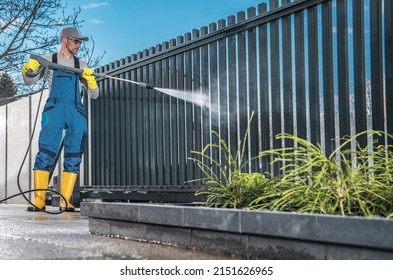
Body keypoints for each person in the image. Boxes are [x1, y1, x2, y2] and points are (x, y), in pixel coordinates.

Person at [21, 27, 99, 212]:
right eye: (76, 41)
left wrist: (91, 81)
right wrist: (27, 69)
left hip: (75, 110)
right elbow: (28, 81)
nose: (79, 45)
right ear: (64, 40)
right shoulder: (49, 60)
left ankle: (66, 201)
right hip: (54, 109)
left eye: (80, 42)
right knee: (46, 153)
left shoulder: (81, 64)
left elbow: (95, 95)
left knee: (74, 156)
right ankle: (39, 200)